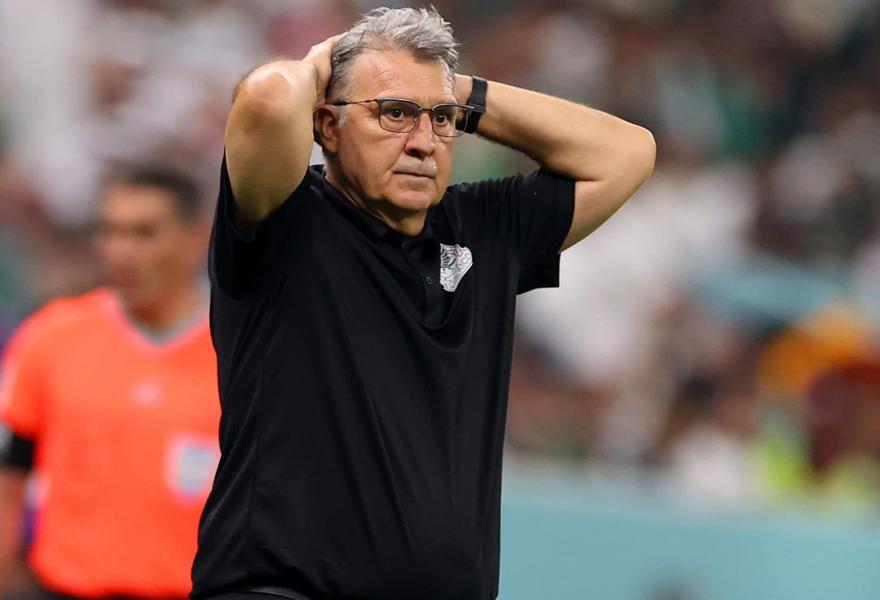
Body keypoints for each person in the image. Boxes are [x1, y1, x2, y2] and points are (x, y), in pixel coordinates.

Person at [194, 7, 655, 600]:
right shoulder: (286, 218)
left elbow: (628, 153)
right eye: (394, 115)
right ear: (326, 126)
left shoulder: (483, 227)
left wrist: (453, 90)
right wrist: (324, 65)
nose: (422, 142)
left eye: (440, 121)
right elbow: (263, 98)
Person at [0, 166, 221, 600]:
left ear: (194, 238)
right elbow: (3, 483)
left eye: (144, 233)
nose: (122, 251)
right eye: (111, 231)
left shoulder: (238, 351)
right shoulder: (52, 337)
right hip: (65, 589)